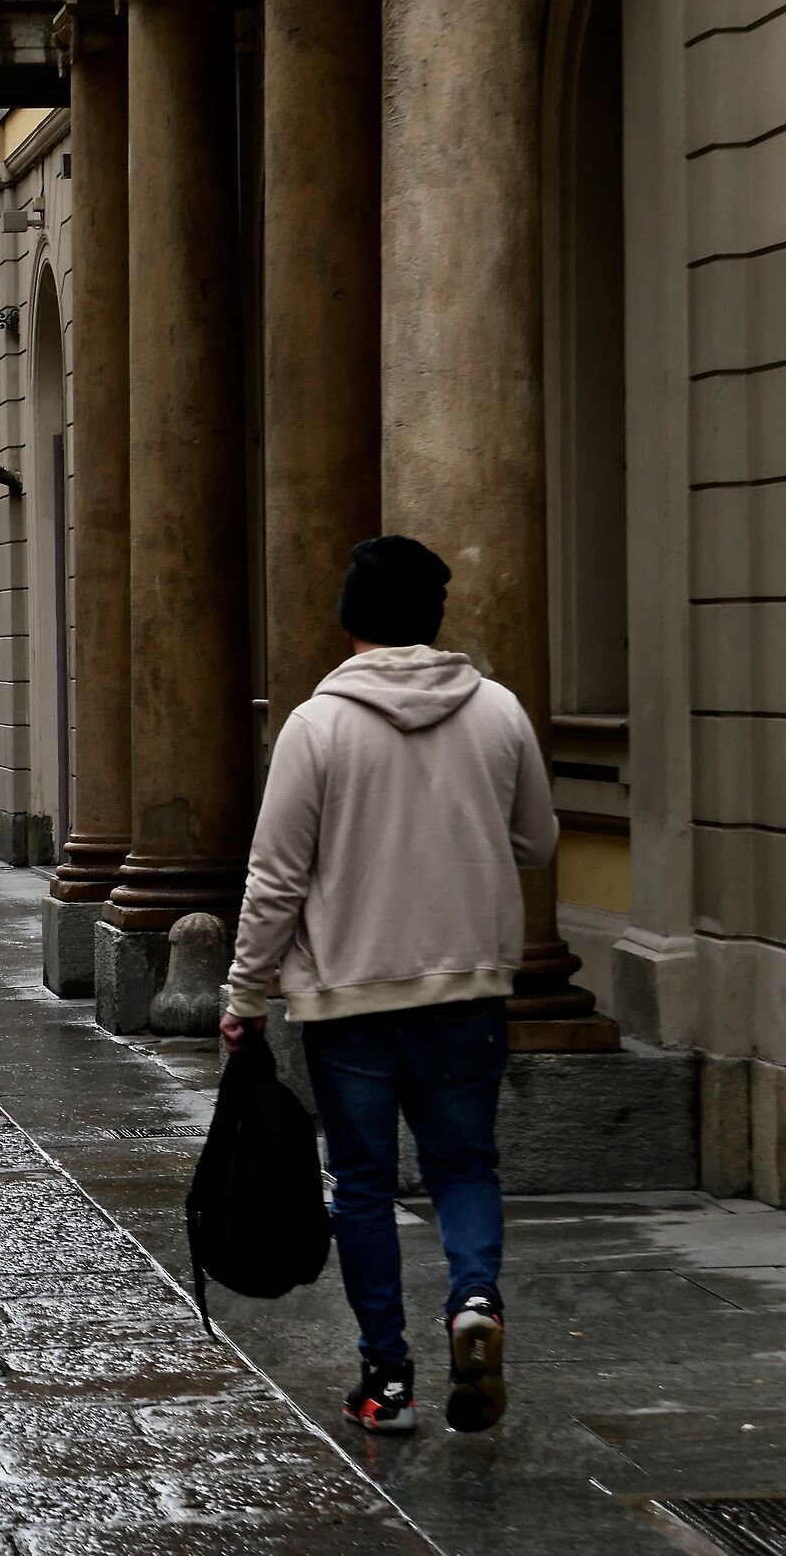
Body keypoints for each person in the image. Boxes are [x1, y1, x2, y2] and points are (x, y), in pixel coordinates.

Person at [223, 535, 555, 1439]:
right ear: (435, 618)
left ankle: (388, 1379)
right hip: (466, 988)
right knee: (464, 1165)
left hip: (351, 998)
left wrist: (244, 993)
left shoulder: (316, 726)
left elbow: (276, 877)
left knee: (362, 1183)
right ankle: (474, 1299)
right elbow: (539, 841)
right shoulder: (499, 712)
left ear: (348, 619)